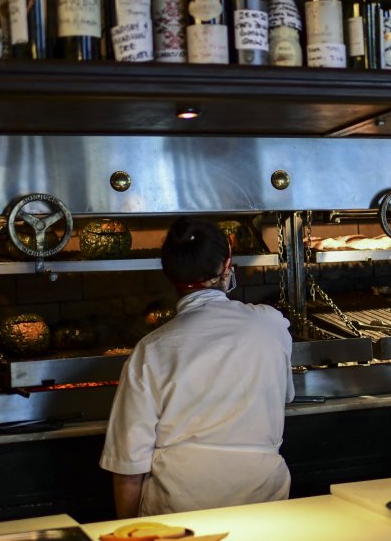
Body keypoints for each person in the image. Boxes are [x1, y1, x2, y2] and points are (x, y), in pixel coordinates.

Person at [100, 217, 295, 517]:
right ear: (226, 265)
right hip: (263, 501)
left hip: (179, 509)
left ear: (169, 274)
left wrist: (128, 533)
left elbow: (128, 465)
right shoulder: (271, 324)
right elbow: (284, 397)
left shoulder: (151, 350)